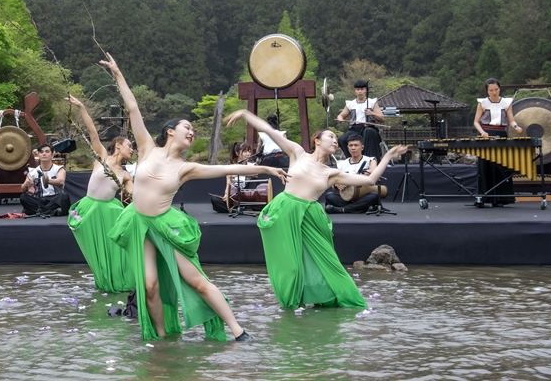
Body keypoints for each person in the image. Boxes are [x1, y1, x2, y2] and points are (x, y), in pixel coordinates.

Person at [103, 54, 288, 342]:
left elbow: (227, 167)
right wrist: (117, 74)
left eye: (193, 129)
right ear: (170, 132)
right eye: (187, 128)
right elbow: (133, 107)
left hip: (165, 225)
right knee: (149, 286)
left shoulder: (186, 167)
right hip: (139, 224)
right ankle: (162, 339)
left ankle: (238, 331)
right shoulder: (147, 149)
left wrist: (265, 167)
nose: (192, 132)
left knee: (197, 282)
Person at [225, 109, 407, 310]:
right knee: (292, 265)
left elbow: (370, 180)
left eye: (337, 138)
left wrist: (388, 155)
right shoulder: (297, 153)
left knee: (328, 262)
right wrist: (244, 113)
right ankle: (293, 302)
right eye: (331, 136)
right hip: (285, 210)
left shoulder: (332, 173)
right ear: (317, 141)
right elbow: (268, 130)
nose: (335, 140)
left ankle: (343, 299)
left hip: (310, 215)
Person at [65, 95, 135, 293]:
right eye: (130, 145)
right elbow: (92, 132)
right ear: (118, 145)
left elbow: (136, 197)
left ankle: (121, 282)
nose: (132, 149)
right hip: (90, 209)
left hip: (111, 213)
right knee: (97, 251)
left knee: (115, 251)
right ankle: (103, 279)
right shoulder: (102, 157)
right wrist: (82, 107)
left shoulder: (126, 175)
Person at [473, 78, 523, 206]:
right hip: (486, 135)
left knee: (500, 166)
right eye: (491, 90)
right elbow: (476, 122)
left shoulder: (506, 102)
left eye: (496, 89)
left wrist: (516, 127)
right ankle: (483, 198)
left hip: (501, 134)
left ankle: (501, 198)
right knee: (485, 166)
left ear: (499, 89)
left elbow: (511, 120)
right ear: (487, 91)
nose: (494, 92)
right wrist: (482, 132)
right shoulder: (482, 103)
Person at [323, 133, 380, 214]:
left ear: (362, 147)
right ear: (348, 147)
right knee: (329, 195)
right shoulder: (342, 164)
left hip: (363, 195)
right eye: (351, 145)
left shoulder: (370, 160)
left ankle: (341, 209)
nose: (353, 148)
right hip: (346, 197)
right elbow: (334, 185)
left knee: (374, 196)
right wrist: (337, 184)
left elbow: (373, 172)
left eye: (356, 145)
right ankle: (359, 208)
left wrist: (349, 180)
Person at [336, 80, 384, 160]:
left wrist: (372, 113)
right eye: (358, 89)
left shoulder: (372, 102)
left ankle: (370, 160)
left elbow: (381, 118)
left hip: (369, 127)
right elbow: (341, 115)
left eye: (362, 89)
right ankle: (353, 159)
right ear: (355, 91)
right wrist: (340, 118)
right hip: (355, 129)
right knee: (342, 139)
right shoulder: (351, 104)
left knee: (368, 132)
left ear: (365, 90)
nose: (360, 91)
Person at [20, 143, 70, 216]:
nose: (44, 154)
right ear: (38, 155)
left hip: (54, 199)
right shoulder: (32, 172)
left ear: (52, 155)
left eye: (47, 152)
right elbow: (23, 189)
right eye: (41, 152)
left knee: (64, 196)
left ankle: (39, 211)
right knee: (23, 197)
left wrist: (47, 180)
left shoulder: (59, 169)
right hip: (39, 199)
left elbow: (61, 181)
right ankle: (51, 212)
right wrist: (27, 184)